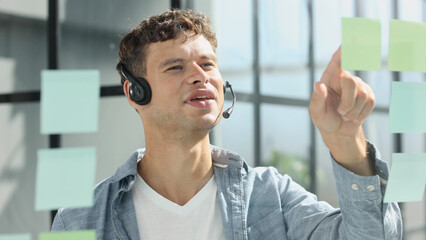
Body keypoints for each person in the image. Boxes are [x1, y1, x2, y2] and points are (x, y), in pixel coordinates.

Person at [52, 9, 402, 239]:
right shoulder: (82, 220)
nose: (199, 76)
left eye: (208, 64)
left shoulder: (270, 195)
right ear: (136, 92)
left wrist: (347, 143)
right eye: (175, 67)